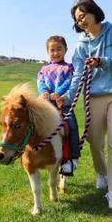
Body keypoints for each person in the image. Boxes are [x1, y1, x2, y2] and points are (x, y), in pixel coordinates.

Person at [57, 0, 112, 209]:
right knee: (95, 142)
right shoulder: (81, 47)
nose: (81, 22)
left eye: (82, 16)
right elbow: (77, 77)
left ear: (94, 12)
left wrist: (102, 62)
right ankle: (102, 173)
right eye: (77, 20)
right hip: (94, 97)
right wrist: (67, 99)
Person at [37, 35, 80, 176]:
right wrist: (44, 92)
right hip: (47, 103)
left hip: (63, 102)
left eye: (59, 49)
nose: (55, 53)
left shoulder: (69, 68)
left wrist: (58, 93)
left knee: (72, 125)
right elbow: (40, 82)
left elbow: (69, 82)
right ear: (47, 51)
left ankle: (73, 158)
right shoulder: (44, 69)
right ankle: (31, 153)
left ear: (65, 50)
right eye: (52, 50)